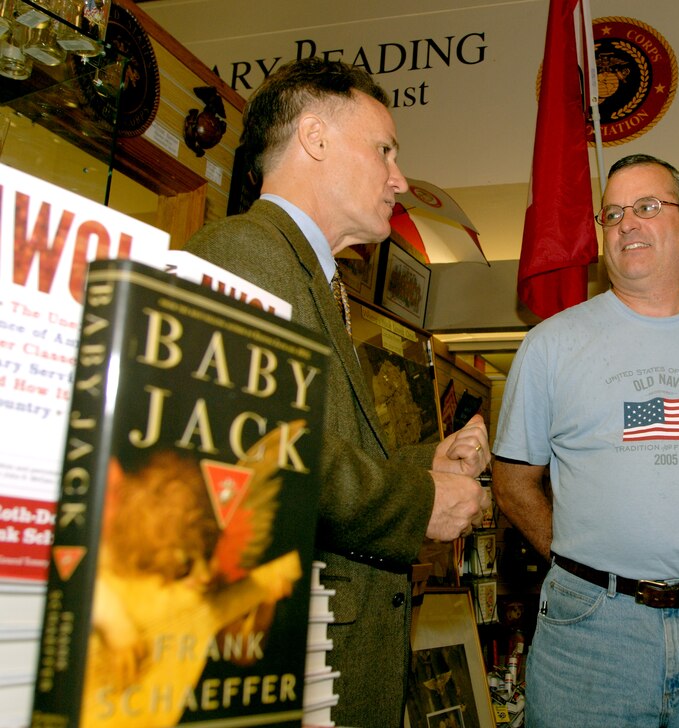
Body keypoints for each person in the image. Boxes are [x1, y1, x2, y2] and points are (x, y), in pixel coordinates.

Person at [183, 58, 491, 728]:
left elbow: (325, 442)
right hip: (288, 662)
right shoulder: (246, 251)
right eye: (384, 150)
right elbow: (265, 456)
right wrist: (423, 502)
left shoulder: (311, 277)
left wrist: (426, 464)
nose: (400, 180)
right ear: (316, 139)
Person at [491, 153, 679, 727]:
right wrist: (581, 561)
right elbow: (513, 483)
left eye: (647, 207)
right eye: (612, 214)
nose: (626, 222)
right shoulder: (550, 345)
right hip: (590, 633)